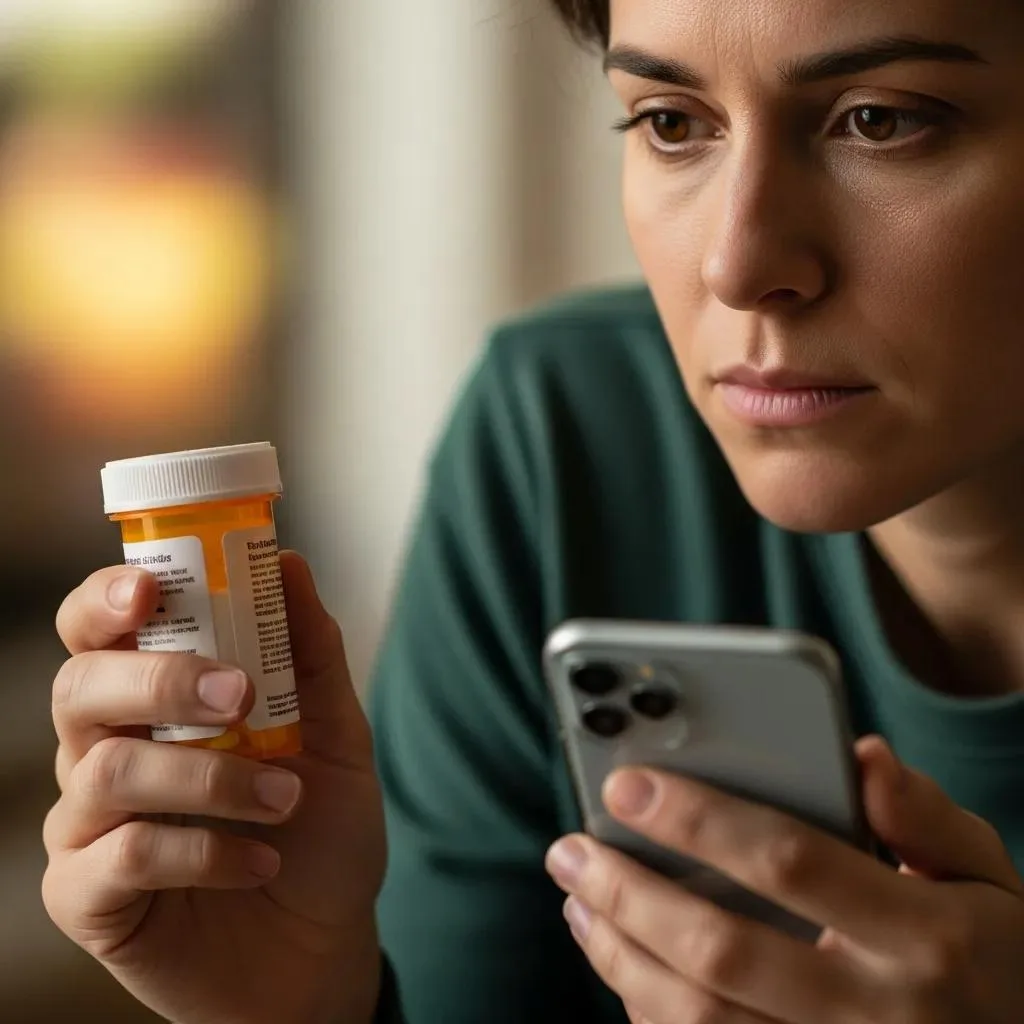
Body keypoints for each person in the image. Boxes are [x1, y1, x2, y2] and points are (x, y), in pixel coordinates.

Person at [42, 0, 1024, 1021]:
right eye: (673, 121)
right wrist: (299, 1003)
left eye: (880, 120)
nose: (736, 263)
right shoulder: (569, 438)